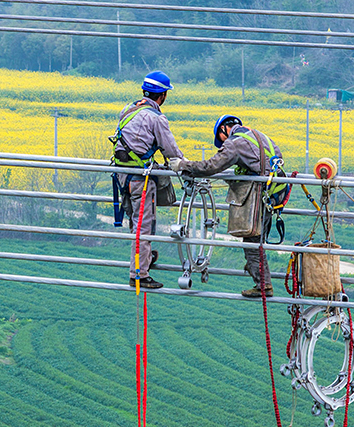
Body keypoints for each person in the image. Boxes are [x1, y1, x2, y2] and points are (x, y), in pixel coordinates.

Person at [170, 115, 284, 298]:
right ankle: (258, 273)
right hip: (274, 193)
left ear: (224, 129)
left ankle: (263, 285)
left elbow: (211, 166)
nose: (223, 143)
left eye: (221, 139)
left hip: (258, 195)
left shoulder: (234, 143)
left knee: (252, 240)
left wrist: (183, 165)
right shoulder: (260, 136)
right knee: (257, 239)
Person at [113, 70, 184, 290]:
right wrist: (187, 167)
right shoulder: (156, 118)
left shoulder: (128, 109)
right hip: (140, 179)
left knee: (135, 221)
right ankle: (139, 274)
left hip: (122, 176)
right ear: (162, 95)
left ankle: (144, 259)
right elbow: (171, 151)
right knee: (144, 225)